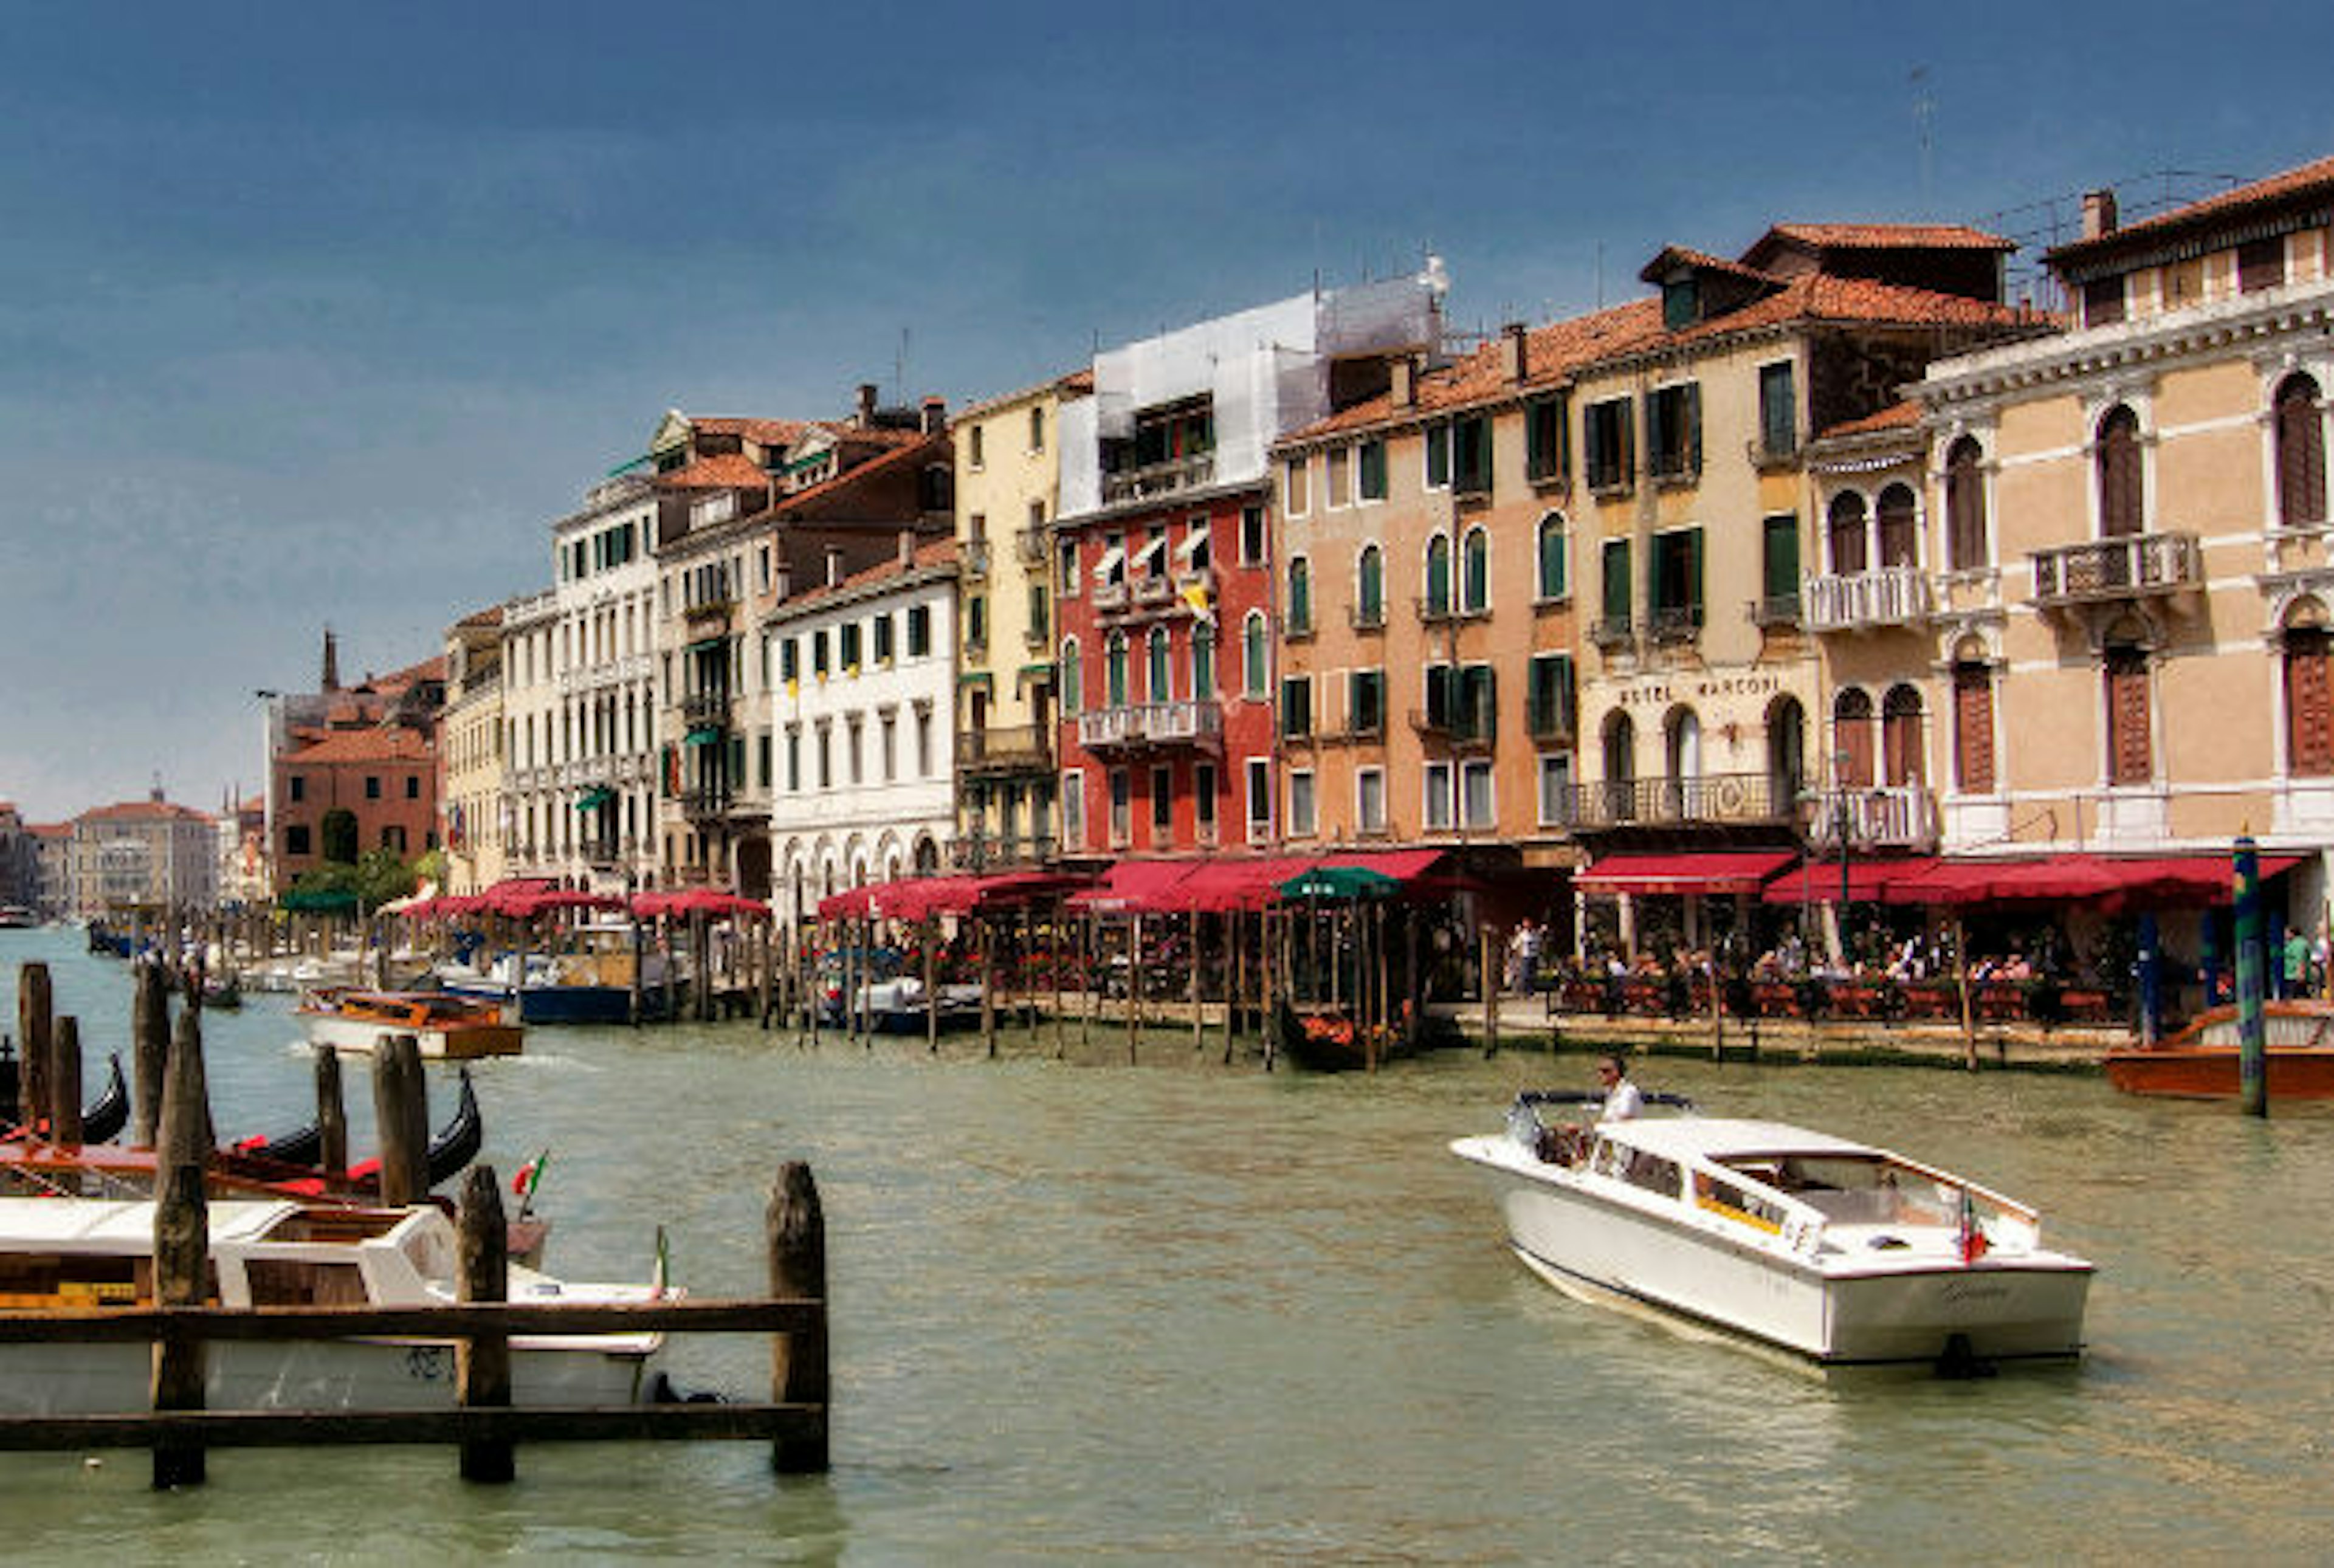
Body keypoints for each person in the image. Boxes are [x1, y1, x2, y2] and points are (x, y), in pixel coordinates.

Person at [1596, 1054, 1644, 1122]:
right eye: (1599, 1071)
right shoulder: (1610, 1092)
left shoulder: (1628, 1092)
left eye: (1605, 1071)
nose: (1600, 1075)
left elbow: (1624, 1119)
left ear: (1616, 1072)